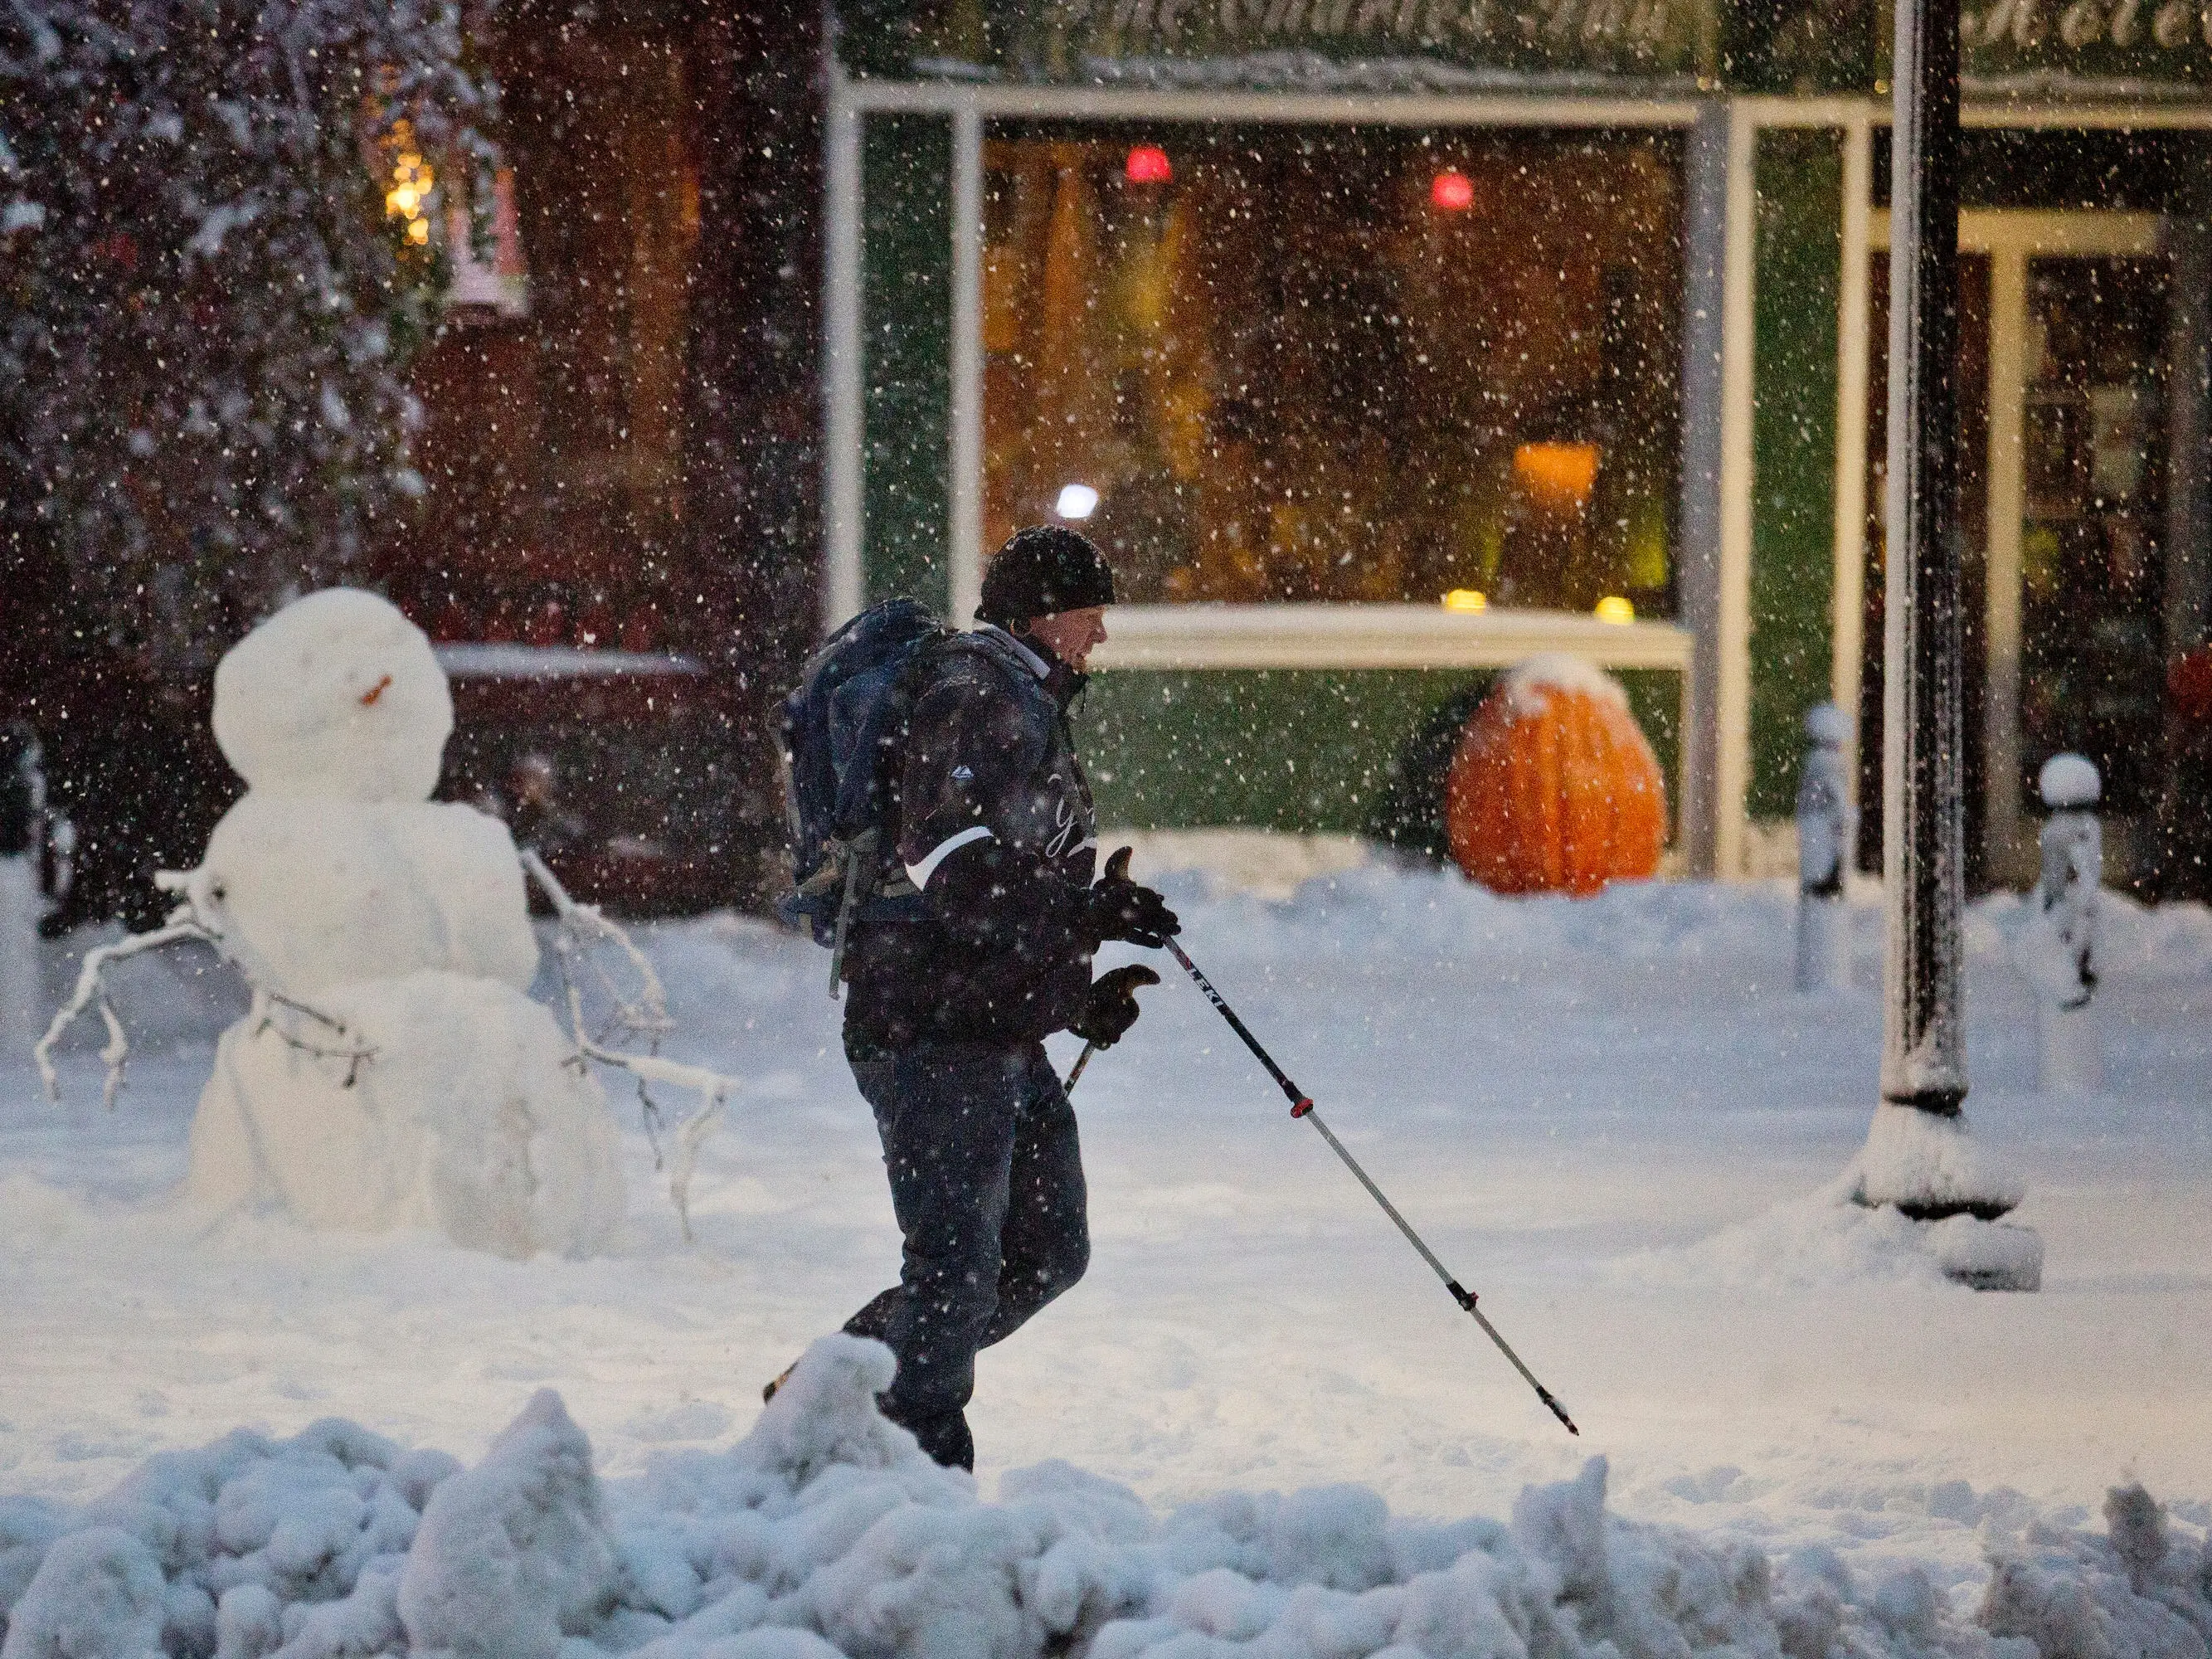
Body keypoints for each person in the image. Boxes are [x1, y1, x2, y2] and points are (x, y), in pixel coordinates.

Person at [780, 526, 1181, 1472]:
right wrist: (1086, 907)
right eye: (1092, 616)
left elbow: (995, 894)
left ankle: (828, 1388)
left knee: (1046, 1249)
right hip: (926, 1034)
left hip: (986, 1027)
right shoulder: (976, 693)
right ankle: (910, 1473)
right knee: (955, 1271)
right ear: (1044, 614)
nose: (1101, 638)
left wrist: (1074, 992)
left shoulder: (1018, 694)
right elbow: (950, 867)